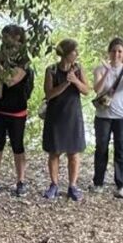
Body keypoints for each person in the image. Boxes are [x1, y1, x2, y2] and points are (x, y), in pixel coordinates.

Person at [0, 25, 35, 197]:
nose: (5, 40)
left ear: (18, 39)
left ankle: (21, 181)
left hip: (17, 109)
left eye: (9, 37)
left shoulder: (24, 60)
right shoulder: (0, 56)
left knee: (17, 146)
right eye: (4, 37)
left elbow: (11, 80)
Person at [41, 39, 90, 201]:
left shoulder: (78, 69)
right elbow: (49, 94)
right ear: (66, 53)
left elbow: (86, 91)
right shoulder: (52, 70)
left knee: (73, 153)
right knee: (54, 152)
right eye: (74, 51)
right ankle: (54, 185)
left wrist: (75, 81)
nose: (77, 54)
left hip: (73, 115)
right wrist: (65, 84)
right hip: (55, 116)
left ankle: (72, 186)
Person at [92, 38, 123, 198]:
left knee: (121, 150)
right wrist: (107, 72)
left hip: (122, 115)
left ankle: (121, 185)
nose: (116, 54)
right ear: (109, 52)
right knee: (101, 148)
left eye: (120, 51)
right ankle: (98, 182)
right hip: (103, 115)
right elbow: (97, 89)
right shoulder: (100, 69)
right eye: (113, 51)